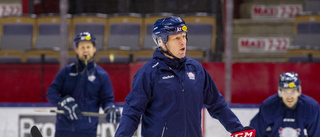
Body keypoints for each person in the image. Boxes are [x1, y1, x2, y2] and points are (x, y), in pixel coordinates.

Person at [115, 16, 255, 137]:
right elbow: (132, 113)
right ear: (161, 42)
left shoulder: (196, 70)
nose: (183, 42)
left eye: (183, 36)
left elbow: (217, 104)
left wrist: (237, 129)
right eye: (176, 38)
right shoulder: (148, 73)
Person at [46, 32, 121, 137]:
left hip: (88, 132)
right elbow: (51, 93)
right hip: (63, 131)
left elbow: (107, 100)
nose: (85, 50)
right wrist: (61, 102)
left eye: (88, 46)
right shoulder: (66, 72)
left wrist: (110, 109)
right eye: (82, 47)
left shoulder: (102, 76)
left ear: (94, 49)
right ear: (76, 50)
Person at [250, 72, 320, 137]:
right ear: (280, 92)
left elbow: (317, 134)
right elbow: (255, 132)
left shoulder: (311, 108)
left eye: (293, 91)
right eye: (285, 92)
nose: (289, 96)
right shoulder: (268, 106)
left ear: (299, 91)